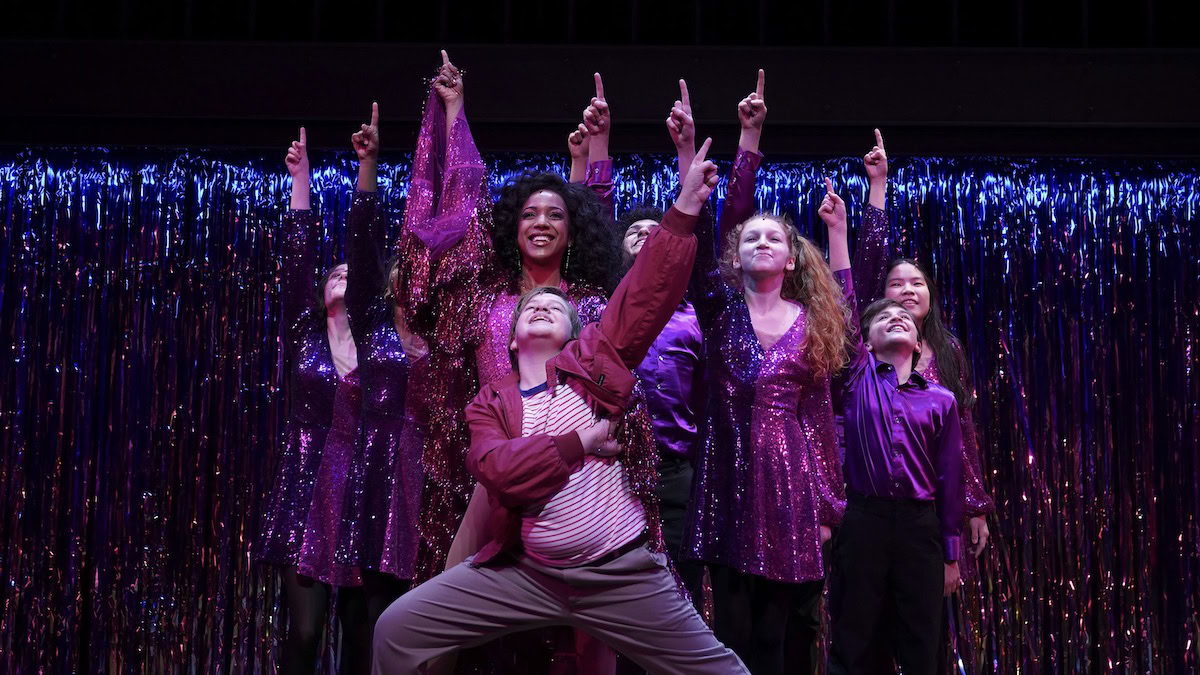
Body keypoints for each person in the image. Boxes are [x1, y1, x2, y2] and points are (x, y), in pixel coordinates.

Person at [373, 137, 749, 675]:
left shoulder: (596, 367)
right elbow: (495, 470)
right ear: (510, 336)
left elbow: (646, 294)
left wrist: (685, 208)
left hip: (619, 571)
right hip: (523, 570)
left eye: (555, 305)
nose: (543, 306)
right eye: (532, 307)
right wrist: (581, 444)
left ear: (578, 328)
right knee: (397, 629)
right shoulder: (491, 405)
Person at [402, 53, 635, 673]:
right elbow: (459, 210)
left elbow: (601, 215)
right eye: (529, 213)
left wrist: (599, 151)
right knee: (444, 609)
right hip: (501, 467)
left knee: (590, 623)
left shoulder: (588, 304)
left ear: (572, 229)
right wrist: (454, 115)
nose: (540, 223)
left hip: (575, 471)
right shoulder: (488, 298)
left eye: (555, 214)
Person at [682, 70, 848, 675]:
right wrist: (747, 142)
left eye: (771, 238)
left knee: (779, 642)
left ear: (789, 256)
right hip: (727, 482)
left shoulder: (812, 323)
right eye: (750, 237)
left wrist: (826, 508)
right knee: (731, 635)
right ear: (736, 254)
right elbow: (717, 224)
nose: (758, 242)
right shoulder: (718, 312)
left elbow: (821, 421)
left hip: (788, 491)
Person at [848, 129, 996, 672]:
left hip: (925, 514)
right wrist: (877, 190)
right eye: (896, 283)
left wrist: (973, 506)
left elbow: (960, 444)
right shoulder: (864, 361)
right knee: (864, 628)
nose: (907, 289)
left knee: (923, 631)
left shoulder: (947, 354)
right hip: (868, 507)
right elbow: (859, 273)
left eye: (917, 283)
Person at [821, 178, 965, 674]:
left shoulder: (941, 400)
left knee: (922, 642)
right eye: (882, 317)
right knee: (856, 637)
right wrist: (838, 231)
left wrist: (950, 551)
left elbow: (950, 478)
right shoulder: (858, 376)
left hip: (921, 526)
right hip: (865, 519)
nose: (896, 317)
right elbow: (842, 301)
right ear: (867, 337)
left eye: (902, 317)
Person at [256, 128, 368, 674]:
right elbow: (300, 256)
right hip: (305, 495)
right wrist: (300, 181)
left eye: (352, 272)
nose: (342, 275)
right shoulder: (305, 337)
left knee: (359, 635)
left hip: (364, 496)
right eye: (334, 273)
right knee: (303, 634)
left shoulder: (384, 353)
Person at [331, 102, 434, 665]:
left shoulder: (449, 339)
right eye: (405, 270)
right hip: (375, 478)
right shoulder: (373, 330)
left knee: (424, 618)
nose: (414, 279)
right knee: (371, 616)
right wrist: (368, 169)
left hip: (431, 481)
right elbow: (362, 253)